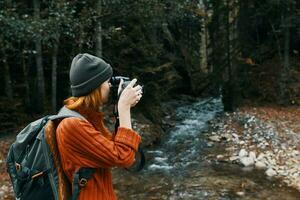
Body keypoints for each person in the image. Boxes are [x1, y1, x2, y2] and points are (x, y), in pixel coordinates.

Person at [56, 53, 143, 200]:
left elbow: (113, 148)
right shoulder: (72, 125)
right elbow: (124, 157)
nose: (110, 85)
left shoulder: (86, 116)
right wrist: (124, 108)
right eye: (107, 81)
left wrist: (119, 112)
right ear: (95, 85)